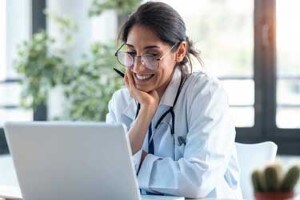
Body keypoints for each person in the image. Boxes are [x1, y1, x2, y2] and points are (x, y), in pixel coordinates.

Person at [106, 1, 242, 199]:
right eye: (132, 53)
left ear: (179, 52)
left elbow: (197, 182)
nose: (138, 67)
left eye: (152, 55)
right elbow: (110, 176)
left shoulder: (205, 94)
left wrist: (136, 165)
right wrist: (146, 110)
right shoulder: (122, 102)